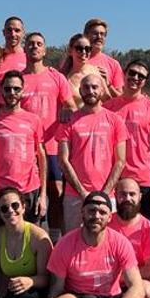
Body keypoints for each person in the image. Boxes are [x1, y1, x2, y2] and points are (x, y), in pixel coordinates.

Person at [57, 73, 128, 232]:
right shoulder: (69, 121)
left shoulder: (115, 120)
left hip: (107, 195)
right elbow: (63, 160)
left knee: (106, 243)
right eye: (86, 87)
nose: (90, 91)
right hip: (75, 195)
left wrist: (104, 193)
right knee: (74, 242)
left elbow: (120, 161)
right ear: (80, 91)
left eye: (95, 87)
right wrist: (82, 192)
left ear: (102, 90)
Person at [21, 32, 77, 230]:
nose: (34, 47)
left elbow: (71, 105)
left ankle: (54, 242)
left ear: (44, 50)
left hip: (51, 146)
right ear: (24, 48)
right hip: (25, 148)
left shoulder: (56, 77)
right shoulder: (17, 79)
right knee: (26, 195)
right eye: (30, 44)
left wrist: (65, 108)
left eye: (39, 44)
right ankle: (29, 239)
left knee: (56, 192)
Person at [105, 60, 150, 218]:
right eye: (132, 73)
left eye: (141, 76)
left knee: (140, 232)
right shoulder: (108, 107)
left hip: (143, 180)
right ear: (124, 74)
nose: (135, 77)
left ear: (145, 81)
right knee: (112, 230)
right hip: (113, 178)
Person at [0, 70, 48, 224]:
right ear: (1, 91)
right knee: (0, 241)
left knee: (30, 241)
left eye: (16, 89)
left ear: (23, 91)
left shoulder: (33, 120)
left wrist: (43, 194)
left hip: (29, 190)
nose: (11, 93)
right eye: (7, 89)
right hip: (0, 190)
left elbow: (41, 156)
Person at [108, 178, 150, 298]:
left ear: (140, 196)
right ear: (115, 195)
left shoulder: (149, 229)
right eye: (123, 194)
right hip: (105, 283)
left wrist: (119, 278)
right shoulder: (105, 223)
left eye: (132, 194)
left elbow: (149, 270)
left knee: (148, 291)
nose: (127, 198)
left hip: (135, 282)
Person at [84, 17, 125, 97]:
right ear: (86, 35)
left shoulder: (114, 64)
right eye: (95, 33)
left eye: (102, 34)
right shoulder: (74, 60)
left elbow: (119, 99)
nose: (99, 37)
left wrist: (108, 84)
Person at [60, 32, 106, 99]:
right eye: (79, 49)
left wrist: (109, 84)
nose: (84, 52)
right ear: (70, 51)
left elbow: (107, 99)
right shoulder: (63, 76)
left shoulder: (98, 72)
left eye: (87, 49)